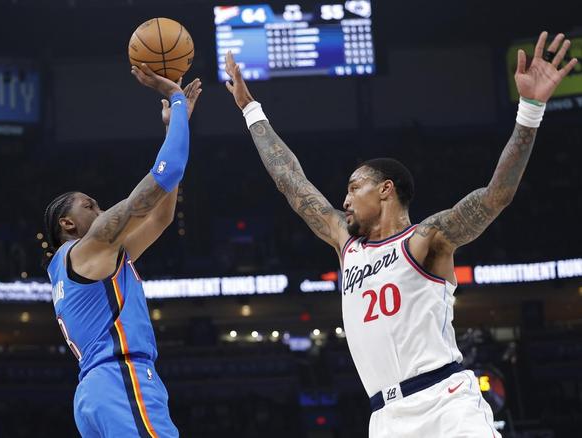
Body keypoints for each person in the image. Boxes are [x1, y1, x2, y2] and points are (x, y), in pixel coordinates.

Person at [224, 32, 577, 437]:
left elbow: (496, 195)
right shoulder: (346, 242)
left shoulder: (427, 239)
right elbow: (291, 180)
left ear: (386, 189)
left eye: (355, 187)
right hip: (386, 417)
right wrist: (250, 108)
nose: (345, 198)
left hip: (445, 403)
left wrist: (530, 110)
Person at [42, 64, 201, 438]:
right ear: (67, 223)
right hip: (121, 378)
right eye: (90, 205)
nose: (100, 211)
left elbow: (161, 217)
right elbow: (166, 172)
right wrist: (177, 100)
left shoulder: (78, 266)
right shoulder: (91, 246)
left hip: (93, 392)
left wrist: (172, 129)